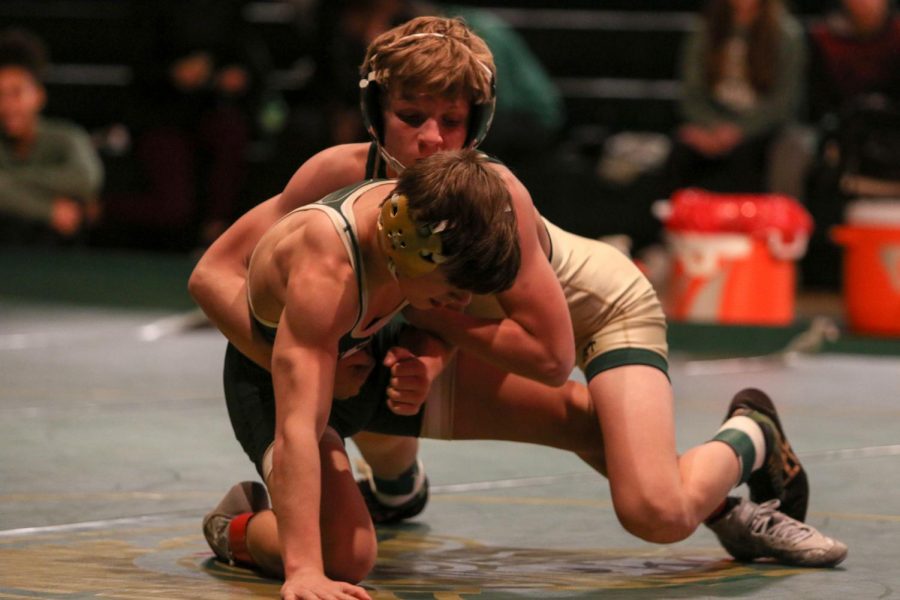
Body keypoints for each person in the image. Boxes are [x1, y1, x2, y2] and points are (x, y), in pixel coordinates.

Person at [190, 16, 847, 592]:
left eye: (451, 121)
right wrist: (380, 344)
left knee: (651, 503)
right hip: (432, 321)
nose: (429, 140)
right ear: (375, 114)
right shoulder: (339, 183)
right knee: (363, 370)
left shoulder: (492, 203)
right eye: (412, 116)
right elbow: (221, 275)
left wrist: (427, 332)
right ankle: (392, 488)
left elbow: (541, 351)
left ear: (478, 123)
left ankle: (747, 442)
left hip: (592, 313)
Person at [201, 148, 521, 599]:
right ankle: (236, 528)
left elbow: (544, 355)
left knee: (565, 411)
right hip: (278, 382)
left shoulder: (424, 222)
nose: (461, 305)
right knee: (347, 558)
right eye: (453, 291)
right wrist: (305, 571)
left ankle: (394, 478)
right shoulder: (326, 273)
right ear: (415, 254)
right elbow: (298, 429)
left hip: (359, 356)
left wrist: (428, 361)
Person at [663, 0, 806, 195]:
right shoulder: (705, 29)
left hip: (761, 129)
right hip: (712, 125)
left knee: (750, 159)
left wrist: (740, 130)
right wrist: (711, 127)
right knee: (681, 153)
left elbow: (783, 103)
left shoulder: (786, 34)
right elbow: (691, 93)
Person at [0, 28, 104, 244]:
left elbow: (86, 180)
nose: (7, 105)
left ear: (38, 95)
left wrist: (9, 180)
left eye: (16, 93)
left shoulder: (67, 137)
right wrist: (48, 210)